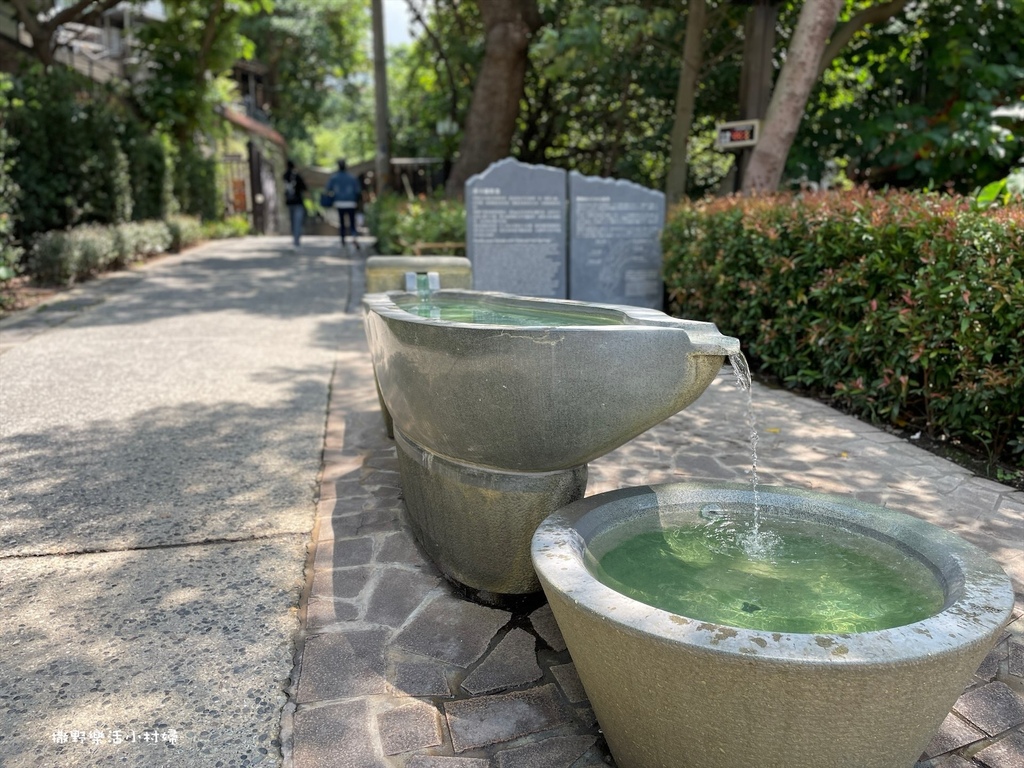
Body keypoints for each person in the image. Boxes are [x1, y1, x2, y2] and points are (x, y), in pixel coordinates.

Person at [325, 159, 360, 248]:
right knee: (352, 222)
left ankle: (343, 239)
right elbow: (358, 190)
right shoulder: (352, 177)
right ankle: (354, 236)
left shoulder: (334, 178)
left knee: (342, 222)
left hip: (339, 203)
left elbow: (328, 189)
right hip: (351, 203)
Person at [283, 160, 308, 249]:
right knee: (298, 222)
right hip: (298, 202)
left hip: (289, 202)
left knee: (293, 221)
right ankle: (296, 240)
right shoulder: (297, 176)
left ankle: (294, 238)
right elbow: (305, 188)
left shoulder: (285, 176)